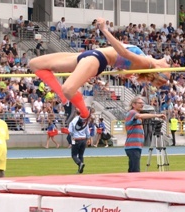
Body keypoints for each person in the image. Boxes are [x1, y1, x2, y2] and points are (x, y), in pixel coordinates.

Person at [28, 17, 171, 130]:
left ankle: (85, 114)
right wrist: (123, 71)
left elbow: (123, 52)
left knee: (68, 89)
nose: (168, 62)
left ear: (160, 70)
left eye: (168, 66)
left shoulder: (147, 63)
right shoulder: (142, 63)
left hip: (97, 59)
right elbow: (124, 68)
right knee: (34, 64)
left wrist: (104, 30)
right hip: (89, 54)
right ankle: (66, 99)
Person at [125, 96, 166, 173]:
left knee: (132, 169)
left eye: (142, 103)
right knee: (135, 170)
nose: (142, 105)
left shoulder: (136, 115)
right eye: (140, 103)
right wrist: (156, 115)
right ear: (134, 104)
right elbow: (140, 116)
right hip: (132, 146)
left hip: (135, 146)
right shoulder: (132, 113)